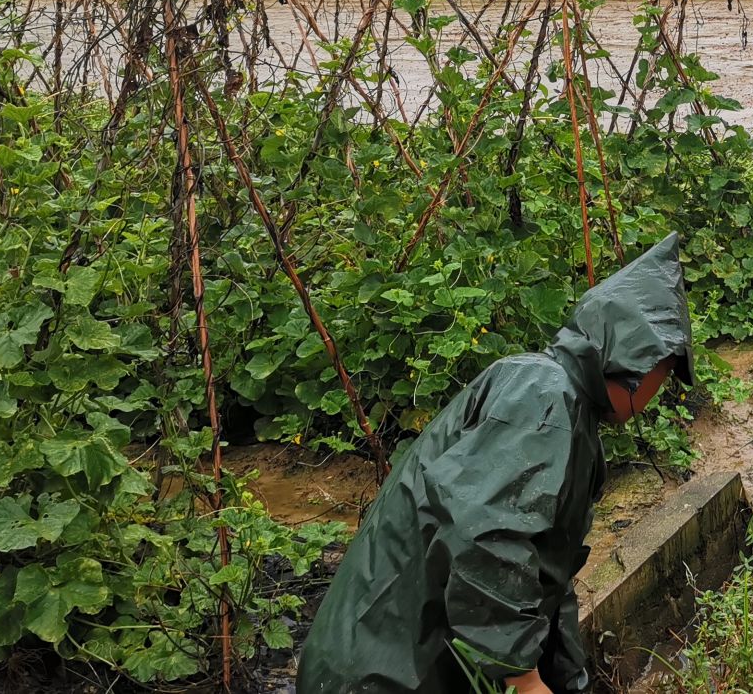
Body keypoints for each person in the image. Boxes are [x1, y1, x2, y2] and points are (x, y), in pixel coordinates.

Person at [297, 234, 695, 694]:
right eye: (662, 377)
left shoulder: (569, 409)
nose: (656, 395)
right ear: (633, 362)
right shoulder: (542, 397)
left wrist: (563, 678)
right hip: (382, 667)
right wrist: (523, 678)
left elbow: (546, 576)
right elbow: (487, 538)